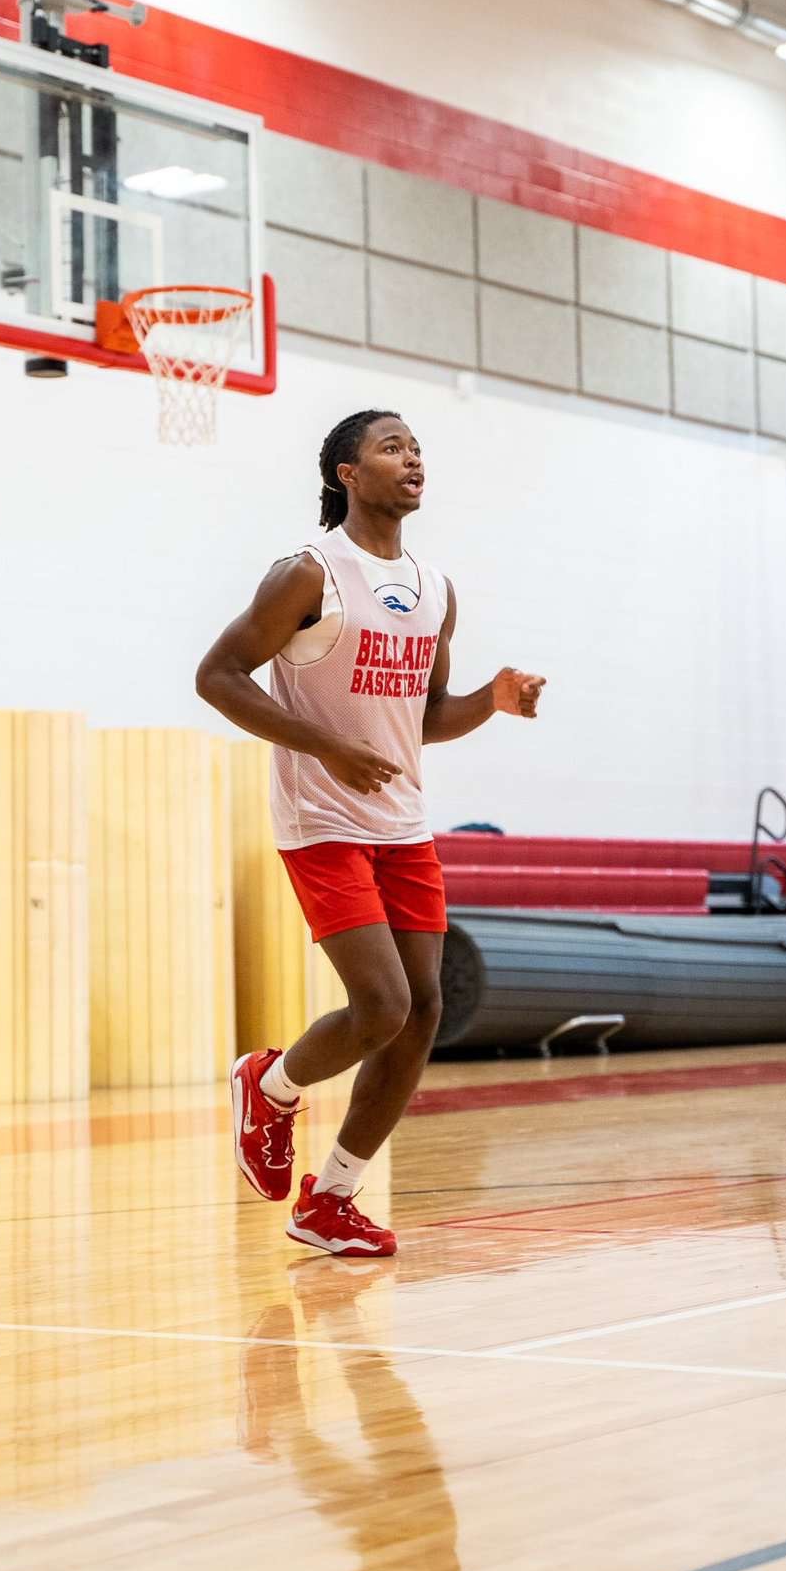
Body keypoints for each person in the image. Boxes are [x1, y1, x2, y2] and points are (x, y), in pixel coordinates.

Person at [196, 408, 545, 1257]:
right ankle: (271, 1085)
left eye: (417, 448)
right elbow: (216, 676)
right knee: (381, 1004)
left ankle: (333, 1198)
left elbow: (423, 719)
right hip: (321, 821)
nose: (412, 459)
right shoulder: (308, 573)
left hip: (402, 824)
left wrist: (491, 703)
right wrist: (329, 750)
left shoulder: (435, 589)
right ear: (347, 474)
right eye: (391, 447)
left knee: (422, 1009)